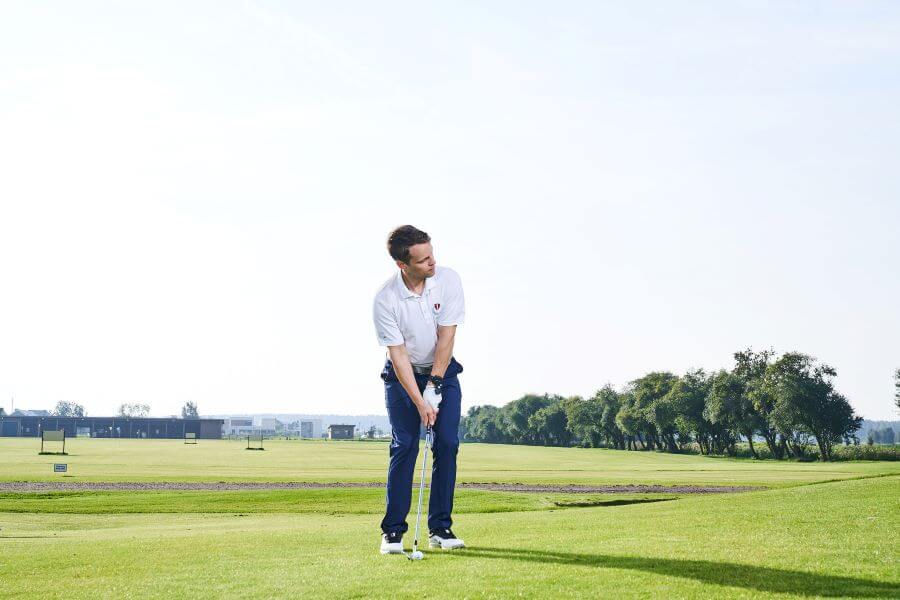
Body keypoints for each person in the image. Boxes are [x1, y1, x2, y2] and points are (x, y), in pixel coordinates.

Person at [373, 225, 467, 555]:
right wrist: (420, 399)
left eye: (432, 254)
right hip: (403, 376)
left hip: (443, 371)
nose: (432, 262)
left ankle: (440, 528)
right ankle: (392, 532)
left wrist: (435, 385)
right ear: (403, 265)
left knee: (447, 443)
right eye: (423, 259)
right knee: (405, 445)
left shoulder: (448, 280)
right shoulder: (386, 299)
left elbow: (447, 337)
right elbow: (398, 355)